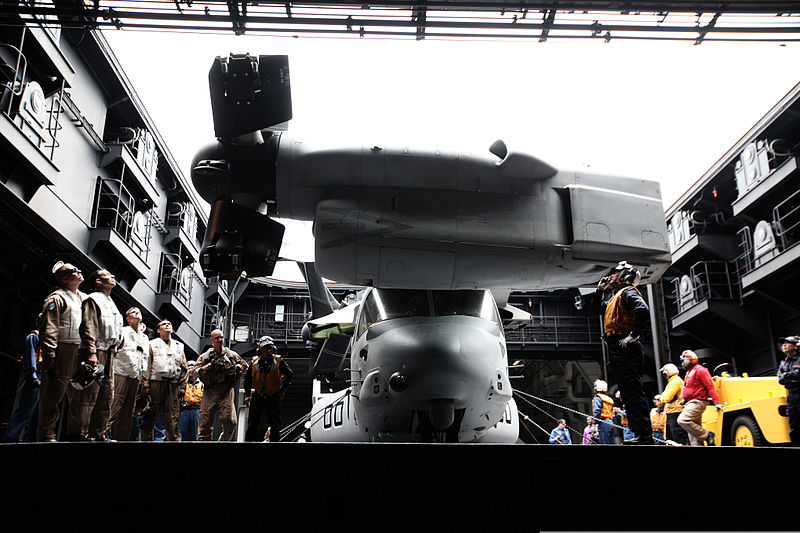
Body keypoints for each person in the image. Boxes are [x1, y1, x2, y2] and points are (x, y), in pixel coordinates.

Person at [592, 260, 653, 445]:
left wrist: (633, 335)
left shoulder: (628, 292)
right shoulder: (615, 296)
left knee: (633, 390)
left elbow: (642, 309)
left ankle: (644, 435)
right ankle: (640, 433)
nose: (613, 275)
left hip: (625, 345)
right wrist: (599, 291)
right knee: (627, 391)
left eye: (617, 273)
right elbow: (596, 309)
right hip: (618, 345)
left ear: (626, 276)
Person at [37, 261, 87, 442]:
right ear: (64, 279)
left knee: (80, 395)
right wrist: (50, 353)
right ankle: (46, 435)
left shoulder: (84, 299)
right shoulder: (56, 298)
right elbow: (49, 327)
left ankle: (76, 433)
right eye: (74, 270)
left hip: (80, 349)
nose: (79, 271)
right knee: (53, 394)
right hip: (63, 348)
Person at [75, 268, 124, 440]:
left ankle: (98, 434)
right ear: (98, 281)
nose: (113, 276)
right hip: (97, 351)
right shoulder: (93, 299)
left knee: (106, 396)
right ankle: (79, 435)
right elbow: (89, 326)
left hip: (110, 353)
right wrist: (91, 352)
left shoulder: (112, 303)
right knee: (88, 396)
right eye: (108, 275)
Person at [105, 307, 149, 441]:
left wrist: (143, 380)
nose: (136, 312)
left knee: (128, 412)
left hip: (136, 377)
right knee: (114, 406)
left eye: (138, 312)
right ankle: (101, 433)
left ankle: (122, 439)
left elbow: (145, 358)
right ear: (128, 319)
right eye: (132, 312)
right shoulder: (122, 331)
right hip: (120, 373)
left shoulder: (145, 338)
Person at [196, 329, 247, 441]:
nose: (219, 340)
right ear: (211, 340)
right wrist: (204, 368)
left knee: (230, 421)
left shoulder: (231, 355)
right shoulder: (205, 357)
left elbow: (245, 366)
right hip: (210, 391)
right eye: (217, 338)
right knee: (205, 422)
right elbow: (193, 371)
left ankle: (223, 442)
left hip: (226, 391)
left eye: (221, 337)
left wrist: (234, 367)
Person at [141, 319, 187, 441]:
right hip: (155, 383)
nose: (167, 325)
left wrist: (183, 387)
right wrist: (145, 384)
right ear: (158, 330)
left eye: (169, 324)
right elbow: (148, 364)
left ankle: (174, 440)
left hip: (172, 385)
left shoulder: (179, 346)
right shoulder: (152, 344)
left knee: (173, 417)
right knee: (150, 415)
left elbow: (184, 367)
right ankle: (146, 440)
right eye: (163, 324)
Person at [243, 335, 294, 442]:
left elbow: (289, 374)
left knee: (275, 424)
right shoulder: (254, 363)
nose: (268, 350)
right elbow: (247, 380)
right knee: (253, 423)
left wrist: (282, 389)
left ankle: (274, 443)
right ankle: (248, 442)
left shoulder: (279, 361)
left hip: (273, 396)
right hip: (258, 396)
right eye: (266, 348)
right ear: (260, 350)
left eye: (270, 348)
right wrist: (247, 395)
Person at [677, 350, 723, 446]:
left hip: (698, 402)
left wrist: (716, 402)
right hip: (690, 402)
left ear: (688, 361)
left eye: (683, 361)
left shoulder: (700, 370)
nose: (682, 364)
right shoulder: (689, 372)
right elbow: (688, 388)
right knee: (693, 435)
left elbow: (710, 387)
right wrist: (684, 400)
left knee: (683, 420)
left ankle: (707, 435)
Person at [4, 330, 41, 442]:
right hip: (35, 378)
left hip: (46, 378)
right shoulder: (34, 336)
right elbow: (30, 357)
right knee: (25, 411)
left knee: (39, 415)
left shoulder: (51, 339)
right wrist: (33, 376)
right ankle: (10, 440)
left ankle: (32, 440)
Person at [777, 335, 800, 445]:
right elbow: (780, 380)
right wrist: (791, 377)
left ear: (795, 346)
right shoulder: (783, 363)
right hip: (791, 396)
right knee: (793, 424)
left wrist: (787, 375)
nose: (784, 345)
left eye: (787, 343)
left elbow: (798, 374)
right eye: (783, 343)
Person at [660, 363, 688, 445]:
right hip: (671, 411)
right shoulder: (672, 382)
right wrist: (664, 397)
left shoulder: (676, 381)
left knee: (678, 436)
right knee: (670, 437)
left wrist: (663, 398)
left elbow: (667, 397)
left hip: (676, 411)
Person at [179, 360, 203, 441]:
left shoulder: (202, 384)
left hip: (197, 411)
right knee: (182, 433)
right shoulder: (182, 383)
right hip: (184, 410)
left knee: (195, 434)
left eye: (192, 368)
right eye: (188, 368)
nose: (190, 370)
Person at [592, 379, 615, 444]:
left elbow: (597, 411)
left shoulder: (598, 398)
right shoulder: (608, 399)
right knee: (611, 443)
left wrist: (594, 422)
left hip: (603, 422)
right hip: (610, 422)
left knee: (604, 443)